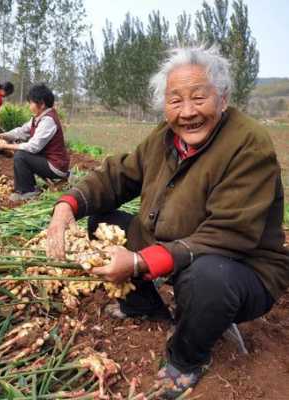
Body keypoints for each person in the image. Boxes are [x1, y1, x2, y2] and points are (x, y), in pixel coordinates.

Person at [46, 46, 289, 399]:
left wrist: (138, 261)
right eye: (176, 100)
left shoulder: (248, 144)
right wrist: (67, 205)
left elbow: (229, 233)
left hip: (240, 267)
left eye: (199, 97)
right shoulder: (165, 138)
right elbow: (116, 177)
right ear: (165, 105)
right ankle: (145, 305)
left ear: (223, 98)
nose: (187, 112)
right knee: (103, 221)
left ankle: (187, 359)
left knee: (207, 278)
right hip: (174, 248)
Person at [0, 84, 70, 202]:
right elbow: (21, 131)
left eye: (31, 103)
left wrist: (5, 145)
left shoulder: (48, 121)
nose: (29, 106)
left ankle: (27, 191)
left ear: (41, 104)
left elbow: (33, 147)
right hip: (47, 160)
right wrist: (1, 135)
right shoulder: (38, 117)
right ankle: (29, 187)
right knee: (20, 150)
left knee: (21, 155)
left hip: (56, 166)